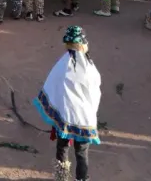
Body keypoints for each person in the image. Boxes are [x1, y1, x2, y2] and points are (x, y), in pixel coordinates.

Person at [33, 26, 101, 181]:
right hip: (84, 119)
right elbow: (95, 92)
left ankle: (61, 178)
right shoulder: (89, 67)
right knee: (82, 153)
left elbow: (51, 87)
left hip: (64, 116)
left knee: (62, 147)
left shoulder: (62, 65)